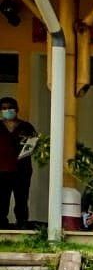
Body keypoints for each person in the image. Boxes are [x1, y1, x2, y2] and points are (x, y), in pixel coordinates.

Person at [0, 96, 36, 227]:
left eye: (10, 108)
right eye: (4, 108)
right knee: (2, 198)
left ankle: (22, 222)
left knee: (22, 197)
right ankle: (1, 223)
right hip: (2, 169)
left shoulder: (26, 127)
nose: (7, 110)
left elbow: (33, 143)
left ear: (16, 109)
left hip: (22, 169)